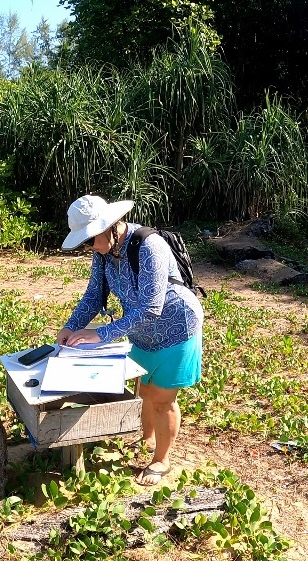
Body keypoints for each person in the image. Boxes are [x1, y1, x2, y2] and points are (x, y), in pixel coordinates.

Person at [57, 195, 204, 486]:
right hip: (140, 331)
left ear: (110, 226)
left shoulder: (150, 246)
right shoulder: (103, 253)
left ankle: (162, 460)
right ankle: (147, 439)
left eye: (90, 239)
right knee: (144, 389)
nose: (89, 247)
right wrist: (71, 327)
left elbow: (151, 308)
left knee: (162, 399)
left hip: (177, 327)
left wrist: (99, 334)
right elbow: (93, 296)